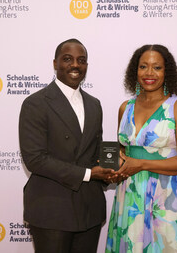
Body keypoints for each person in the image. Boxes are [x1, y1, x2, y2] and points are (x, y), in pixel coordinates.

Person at [106, 44, 177, 252]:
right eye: (143, 67)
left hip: (168, 197)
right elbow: (123, 154)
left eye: (157, 67)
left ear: (167, 72)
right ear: (134, 71)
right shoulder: (125, 108)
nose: (149, 73)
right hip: (131, 196)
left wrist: (141, 164)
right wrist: (116, 170)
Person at [19, 38, 115, 253]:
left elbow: (95, 151)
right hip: (52, 208)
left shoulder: (94, 104)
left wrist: (111, 170)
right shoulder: (35, 103)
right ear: (55, 63)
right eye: (67, 59)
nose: (75, 65)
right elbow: (35, 159)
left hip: (89, 208)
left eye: (81, 60)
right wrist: (90, 174)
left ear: (86, 67)